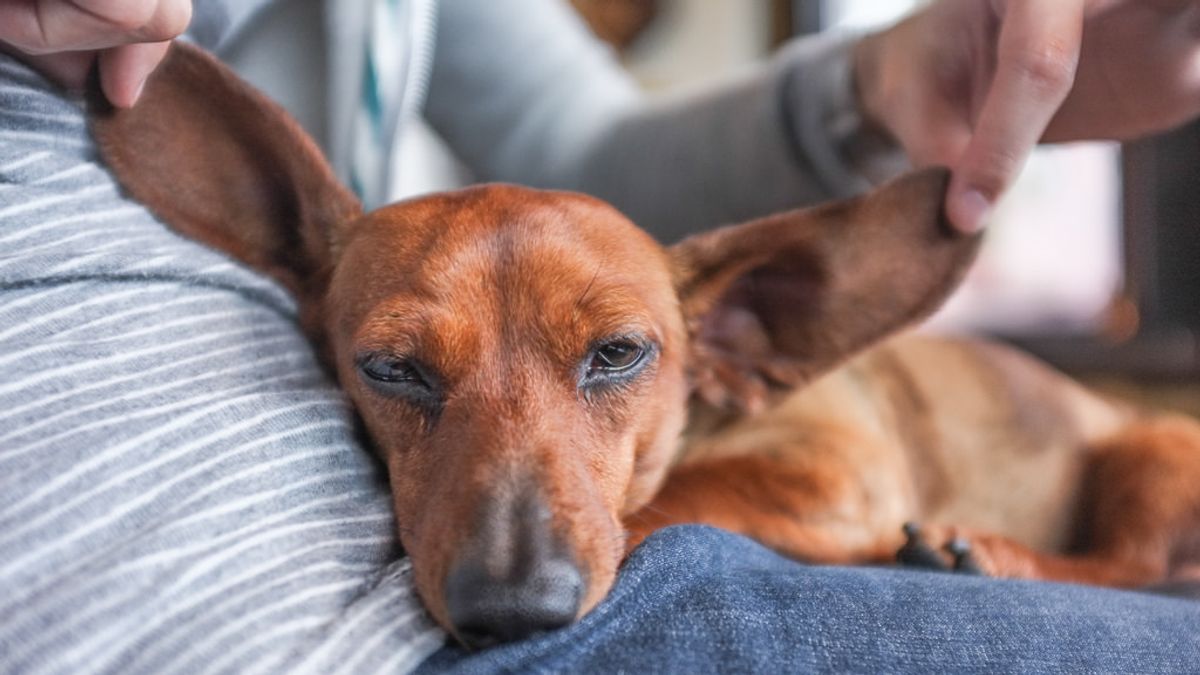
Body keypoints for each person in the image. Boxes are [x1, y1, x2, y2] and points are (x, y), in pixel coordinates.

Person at [0, 1, 1197, 672]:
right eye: (405, 371)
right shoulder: (320, 257)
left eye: (613, 357)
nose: (518, 552)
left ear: (749, 327)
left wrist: (889, 80)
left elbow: (582, 148)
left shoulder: (742, 373)